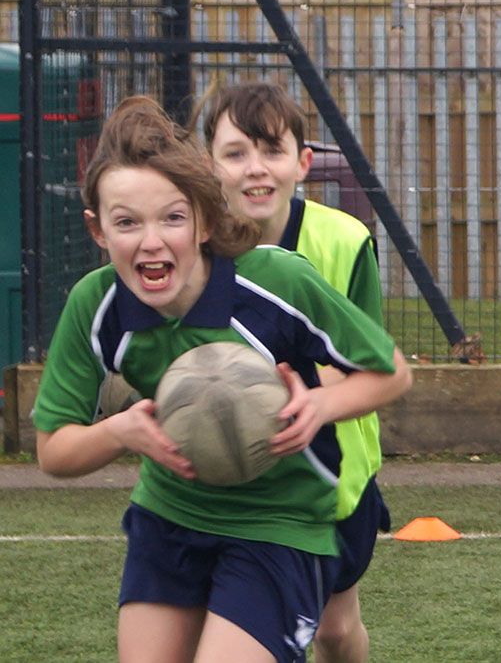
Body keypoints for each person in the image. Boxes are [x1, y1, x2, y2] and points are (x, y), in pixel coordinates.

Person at [32, 95, 411, 663]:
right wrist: (119, 433)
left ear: (205, 219)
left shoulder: (275, 282)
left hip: (279, 524)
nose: (151, 240)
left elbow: (392, 374)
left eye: (173, 217)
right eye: (127, 222)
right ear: (97, 229)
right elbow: (52, 451)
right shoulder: (96, 305)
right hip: (169, 519)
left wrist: (319, 407)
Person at [199, 81, 390, 663]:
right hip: (226, 477)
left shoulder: (344, 241)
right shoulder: (192, 245)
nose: (255, 169)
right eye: (235, 153)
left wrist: (273, 402)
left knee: (333, 629)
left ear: (303, 163)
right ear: (209, 165)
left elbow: (366, 365)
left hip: (331, 473)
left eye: (272, 151)